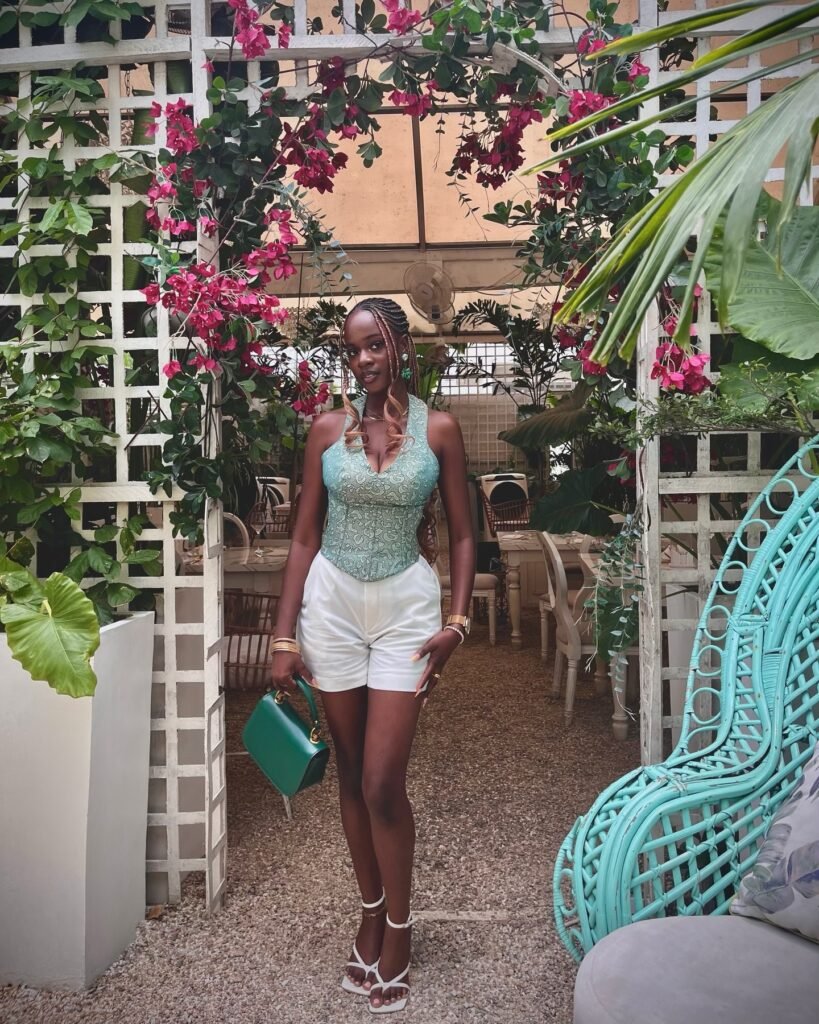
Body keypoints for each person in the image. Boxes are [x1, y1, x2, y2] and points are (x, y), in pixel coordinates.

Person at [271, 296, 475, 1014]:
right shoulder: (327, 429)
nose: (362, 360)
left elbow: (460, 534)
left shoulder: (440, 430)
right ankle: (368, 908)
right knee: (352, 773)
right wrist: (284, 634)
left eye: (374, 346)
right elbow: (303, 537)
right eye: (351, 350)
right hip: (330, 606)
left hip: (404, 612)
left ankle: (399, 926)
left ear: (398, 347)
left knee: (386, 780)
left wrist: (457, 620)